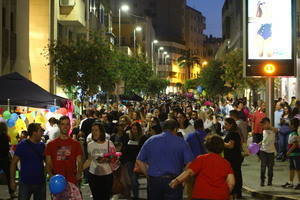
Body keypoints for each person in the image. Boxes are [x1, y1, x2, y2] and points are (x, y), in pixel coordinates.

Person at [136, 119, 194, 200]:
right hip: (174, 180)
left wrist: (147, 175)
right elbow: (190, 162)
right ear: (175, 129)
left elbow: (139, 160)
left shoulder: (151, 140)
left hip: (154, 180)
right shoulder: (181, 142)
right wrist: (181, 177)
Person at [169, 134, 235, 200]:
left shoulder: (201, 159)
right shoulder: (226, 163)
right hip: (220, 196)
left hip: (201, 195)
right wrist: (225, 192)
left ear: (207, 147)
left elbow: (188, 172)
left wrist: (176, 181)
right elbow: (231, 182)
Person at [10, 123, 46, 200]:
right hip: (25, 183)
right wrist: (12, 180)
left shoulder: (42, 146)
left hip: (40, 183)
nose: (42, 133)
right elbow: (13, 163)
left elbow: (48, 162)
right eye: (40, 131)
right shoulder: (22, 145)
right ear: (34, 133)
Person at [83, 122, 117, 200]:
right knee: (96, 197)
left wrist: (106, 159)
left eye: (96, 130)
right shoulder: (90, 145)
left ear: (101, 131)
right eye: (92, 130)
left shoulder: (109, 143)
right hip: (93, 175)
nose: (94, 132)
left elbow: (114, 159)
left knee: (105, 197)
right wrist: (79, 170)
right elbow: (89, 160)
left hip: (107, 175)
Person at [45, 116, 83, 185]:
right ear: (59, 126)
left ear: (70, 126)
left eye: (67, 124)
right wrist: (51, 176)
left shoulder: (76, 144)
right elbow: (48, 163)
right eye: (62, 124)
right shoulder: (51, 145)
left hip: (72, 180)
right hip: (57, 181)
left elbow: (79, 161)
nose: (65, 126)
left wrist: (79, 173)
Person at [223, 118, 243, 198]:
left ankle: (235, 192)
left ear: (231, 125)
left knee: (234, 174)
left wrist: (221, 142)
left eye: (226, 124)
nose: (224, 126)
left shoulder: (232, 133)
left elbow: (231, 145)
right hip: (236, 157)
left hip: (233, 158)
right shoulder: (235, 133)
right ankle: (238, 192)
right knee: (237, 174)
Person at [282, 118, 300, 189]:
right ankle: (290, 182)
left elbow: (295, 144)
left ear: (293, 125)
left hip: (296, 154)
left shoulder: (295, 133)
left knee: (298, 169)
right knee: (292, 168)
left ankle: (299, 182)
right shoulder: (292, 133)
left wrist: (289, 151)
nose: (289, 126)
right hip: (292, 155)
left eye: (290, 124)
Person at [0, 122, 15, 199]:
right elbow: (7, 148)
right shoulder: (6, 137)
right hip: (5, 158)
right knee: (9, 176)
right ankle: (11, 193)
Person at [259, 117, 276, 186]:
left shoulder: (273, 130)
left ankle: (270, 181)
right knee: (263, 167)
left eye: (264, 124)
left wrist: (269, 126)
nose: (262, 126)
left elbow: (276, 130)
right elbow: (264, 140)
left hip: (271, 152)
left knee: (270, 168)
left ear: (268, 123)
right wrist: (259, 143)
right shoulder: (263, 131)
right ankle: (262, 181)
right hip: (263, 151)